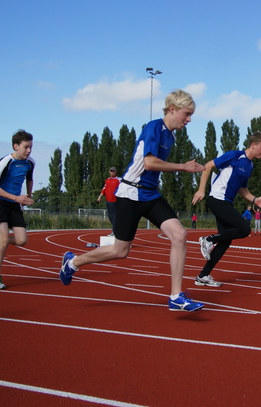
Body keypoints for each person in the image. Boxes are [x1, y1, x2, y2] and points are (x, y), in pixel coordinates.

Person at [59, 89, 205, 312]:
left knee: (180, 234)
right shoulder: (154, 127)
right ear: (172, 109)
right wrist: (183, 167)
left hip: (151, 194)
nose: (189, 119)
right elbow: (149, 163)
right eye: (186, 114)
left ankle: (175, 296)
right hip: (130, 194)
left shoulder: (171, 135)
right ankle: (72, 262)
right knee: (120, 251)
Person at [192, 132, 261, 287]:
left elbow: (243, 190)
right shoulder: (235, 156)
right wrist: (201, 190)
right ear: (253, 145)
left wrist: (255, 200)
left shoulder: (249, 165)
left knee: (225, 241)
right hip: (216, 199)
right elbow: (208, 166)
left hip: (226, 202)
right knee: (244, 229)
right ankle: (208, 239)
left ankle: (203, 276)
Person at [0, 129, 35, 290]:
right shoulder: (5, 162)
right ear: (16, 146)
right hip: (0, 203)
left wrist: (27, 196)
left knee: (22, 240)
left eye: (31, 147)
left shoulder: (30, 163)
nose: (29, 150)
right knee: (4, 238)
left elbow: (30, 179)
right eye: (26, 147)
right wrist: (17, 198)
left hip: (15, 204)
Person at [97, 167, 121, 235]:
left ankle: (115, 231)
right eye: (111, 171)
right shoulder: (107, 180)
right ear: (109, 171)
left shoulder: (118, 180)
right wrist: (100, 197)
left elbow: (122, 189)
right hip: (108, 200)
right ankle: (116, 229)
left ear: (115, 172)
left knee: (114, 216)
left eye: (113, 171)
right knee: (110, 216)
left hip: (115, 200)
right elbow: (104, 189)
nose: (112, 172)